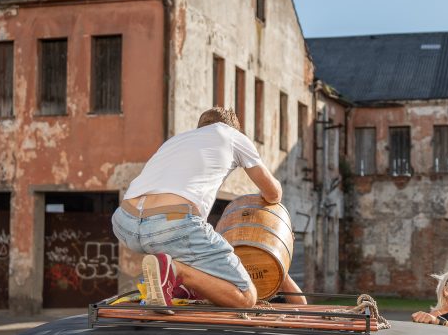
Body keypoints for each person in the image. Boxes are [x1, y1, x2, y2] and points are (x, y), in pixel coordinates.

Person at [111, 108, 305, 308]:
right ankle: (176, 271)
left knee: (185, 251)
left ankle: (170, 283)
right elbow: (273, 194)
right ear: (233, 128)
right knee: (246, 297)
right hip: (171, 223)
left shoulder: (176, 140)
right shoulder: (232, 136)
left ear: (200, 127)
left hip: (124, 222)